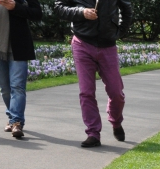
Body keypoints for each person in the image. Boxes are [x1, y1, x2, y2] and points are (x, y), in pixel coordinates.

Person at [56, 0, 132, 148]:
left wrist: (119, 32)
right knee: (86, 92)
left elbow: (126, 8)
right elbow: (59, 8)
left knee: (116, 92)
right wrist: (81, 12)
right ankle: (93, 133)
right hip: (82, 43)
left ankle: (116, 121)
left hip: (108, 45)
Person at [0, 0, 41, 139]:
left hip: (18, 42)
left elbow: (37, 13)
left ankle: (16, 122)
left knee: (17, 86)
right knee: (4, 88)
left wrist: (15, 7)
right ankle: (12, 117)